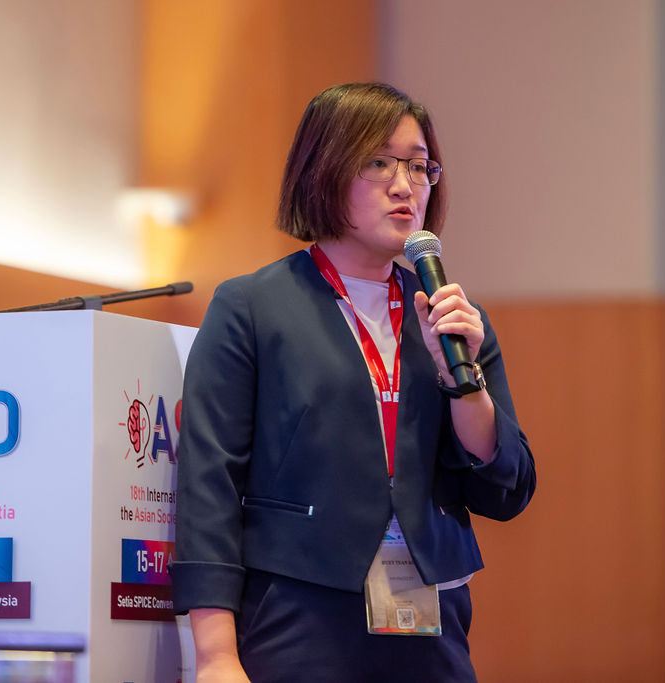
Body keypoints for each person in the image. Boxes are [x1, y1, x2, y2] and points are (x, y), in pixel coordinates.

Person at [171, 82, 536, 682]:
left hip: (430, 618)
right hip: (297, 609)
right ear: (324, 169)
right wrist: (215, 656)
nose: (405, 185)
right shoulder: (252, 307)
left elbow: (506, 490)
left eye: (419, 166)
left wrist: (463, 382)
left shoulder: (451, 318)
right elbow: (210, 482)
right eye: (378, 163)